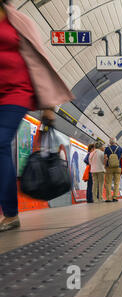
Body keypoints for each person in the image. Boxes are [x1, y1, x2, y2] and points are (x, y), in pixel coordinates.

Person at [0, 0, 74, 232]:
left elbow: (40, 61)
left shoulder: (19, 21)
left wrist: (49, 105)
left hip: (16, 92)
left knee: (0, 143)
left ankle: (10, 213)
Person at [104, 137, 122, 202]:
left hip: (109, 167)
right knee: (116, 183)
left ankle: (108, 198)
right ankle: (115, 197)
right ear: (115, 142)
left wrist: (105, 166)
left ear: (110, 142)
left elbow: (105, 158)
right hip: (117, 167)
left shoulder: (107, 149)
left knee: (108, 183)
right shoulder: (120, 149)